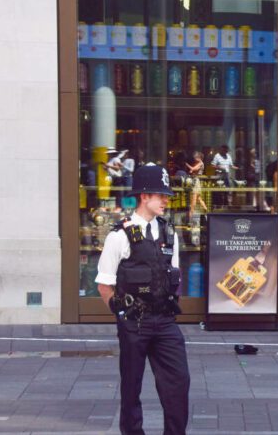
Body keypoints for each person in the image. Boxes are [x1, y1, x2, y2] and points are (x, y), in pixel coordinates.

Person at [95, 164, 190, 435]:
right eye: (160, 195)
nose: (165, 200)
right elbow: (104, 284)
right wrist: (122, 315)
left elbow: (175, 275)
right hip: (135, 323)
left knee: (178, 383)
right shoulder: (119, 236)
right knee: (131, 388)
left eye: (166, 195)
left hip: (165, 322)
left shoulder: (170, 234)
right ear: (144, 196)